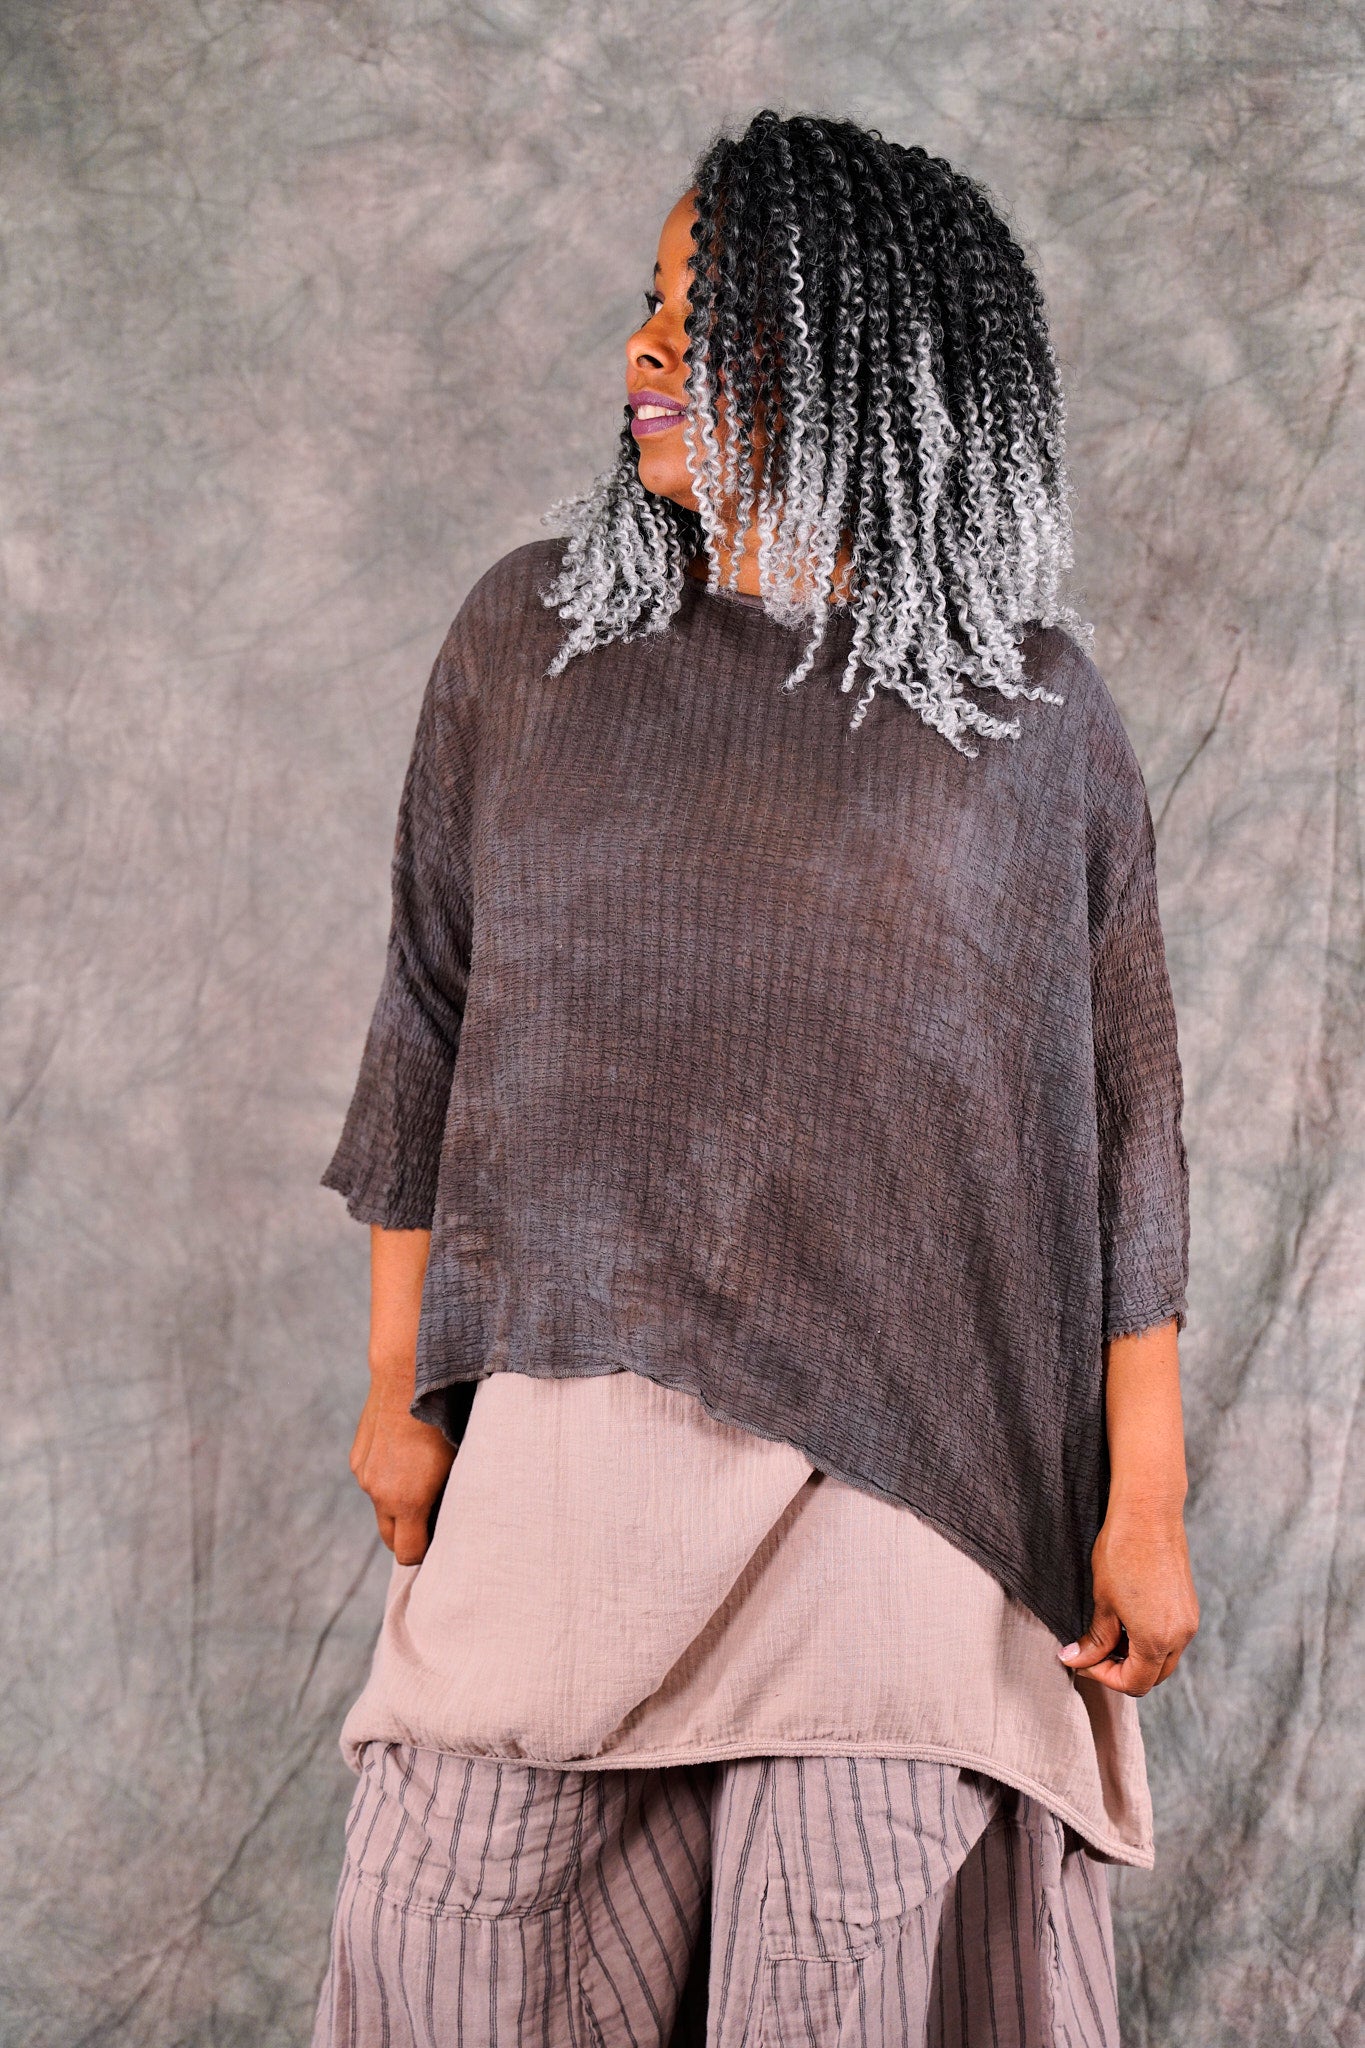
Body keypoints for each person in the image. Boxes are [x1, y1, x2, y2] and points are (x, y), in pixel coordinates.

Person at [310, 109, 1199, 2048]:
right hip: (563, 1484)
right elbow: (425, 1026)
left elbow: (1122, 1138)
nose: (645, 345)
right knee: (459, 1962)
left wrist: (1146, 1496)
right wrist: (394, 1388)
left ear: (868, 340)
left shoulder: (1032, 713)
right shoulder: (526, 643)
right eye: (649, 301)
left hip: (907, 1522)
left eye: (708, 310)